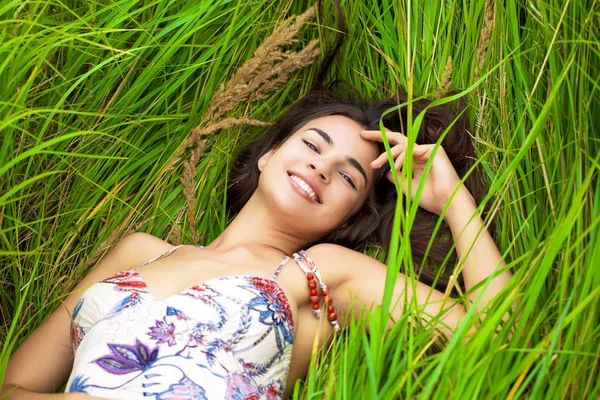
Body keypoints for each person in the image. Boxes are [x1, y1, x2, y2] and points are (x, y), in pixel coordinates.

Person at [1, 14, 514, 400]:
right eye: (313, 146)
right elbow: (15, 384)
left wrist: (453, 200)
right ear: (269, 154)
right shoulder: (142, 251)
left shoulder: (321, 275)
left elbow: (500, 337)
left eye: (347, 176)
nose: (321, 168)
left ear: (350, 217)